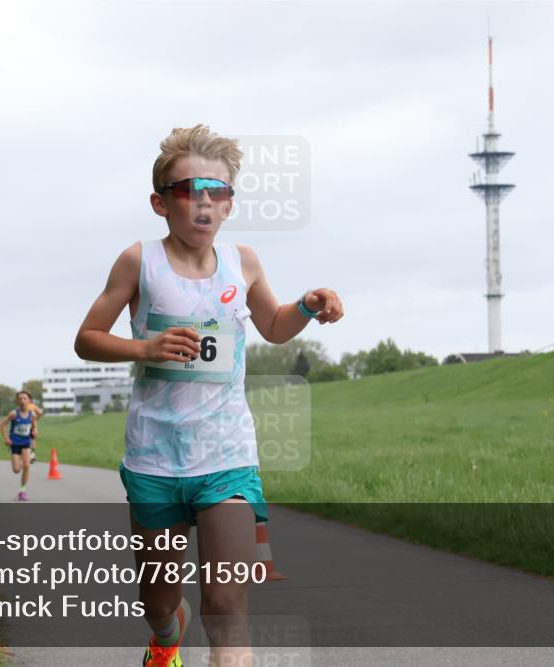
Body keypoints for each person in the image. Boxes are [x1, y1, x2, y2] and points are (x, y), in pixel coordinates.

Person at [73, 125, 344, 666]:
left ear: (229, 205)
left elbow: (273, 324)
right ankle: (166, 636)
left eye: (216, 192)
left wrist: (309, 305)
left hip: (227, 456)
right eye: (187, 190)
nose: (202, 203)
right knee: (159, 600)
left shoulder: (242, 263)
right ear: (159, 202)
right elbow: (87, 339)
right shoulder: (138, 261)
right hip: (155, 458)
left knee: (226, 602)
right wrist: (146, 347)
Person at [0, 390, 37, 501]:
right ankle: (21, 458)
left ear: (29, 401)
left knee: (26, 466)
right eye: (20, 399)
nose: (22, 401)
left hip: (26, 443)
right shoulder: (14, 414)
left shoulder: (32, 415)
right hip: (15, 443)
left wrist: (35, 431)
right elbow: (2, 425)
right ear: (18, 401)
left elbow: (34, 426)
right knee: (16, 470)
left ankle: (22, 491)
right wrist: (6, 438)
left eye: (25, 398)